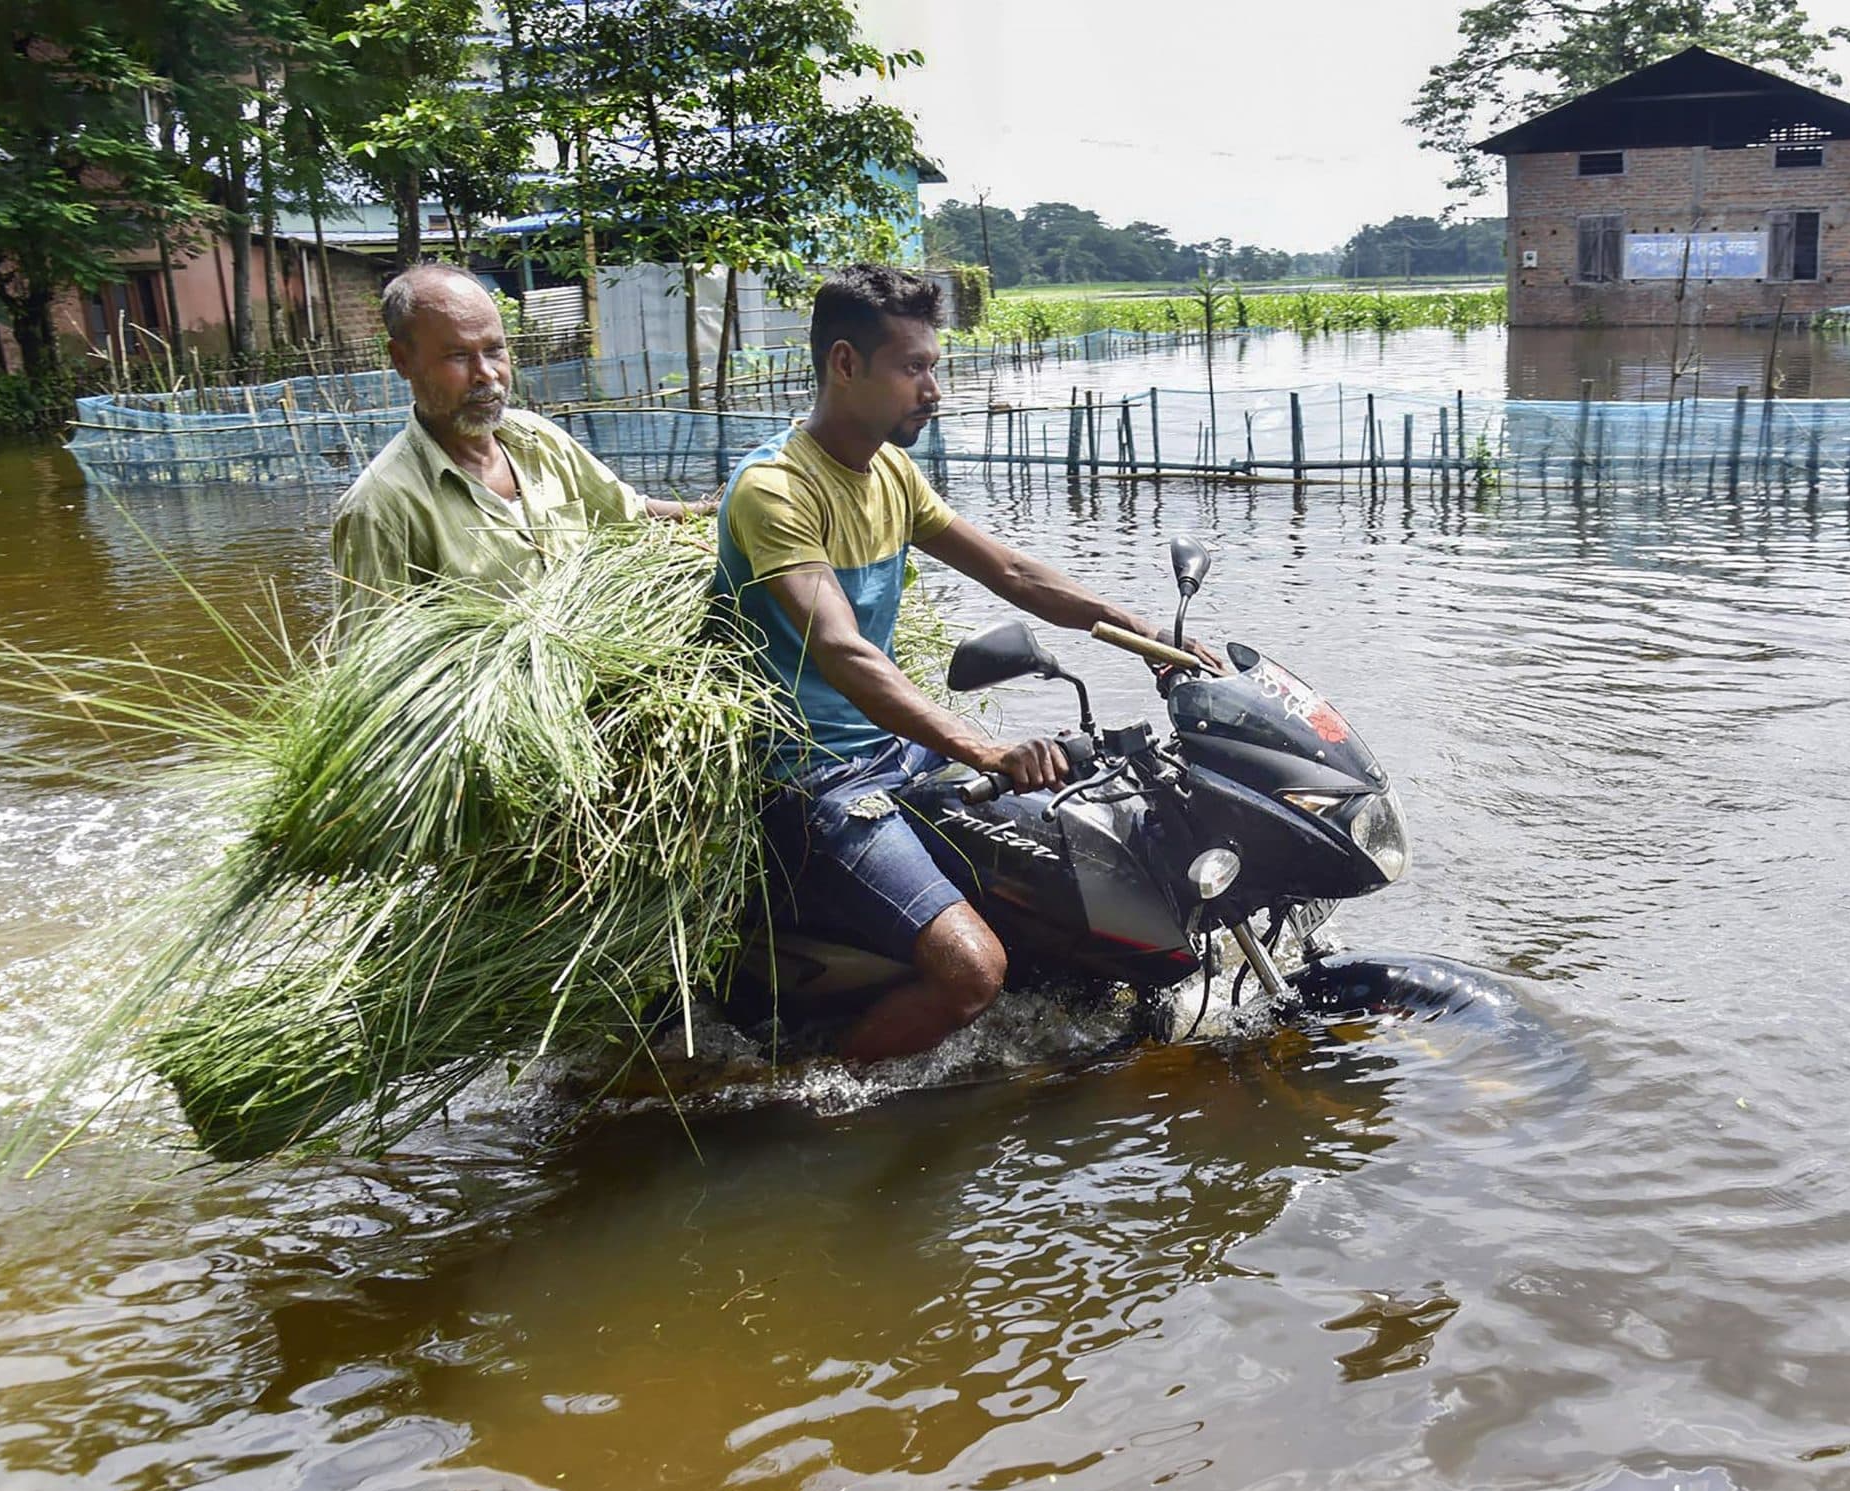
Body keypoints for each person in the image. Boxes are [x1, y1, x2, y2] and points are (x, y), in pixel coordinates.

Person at [717, 264, 1208, 1064]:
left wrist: (1146, 635)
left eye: (934, 367)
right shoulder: (775, 489)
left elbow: (1011, 573)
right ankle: (807, 1101)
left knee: (1076, 864)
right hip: (815, 774)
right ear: (846, 364)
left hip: (895, 750)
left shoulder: (890, 471)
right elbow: (840, 650)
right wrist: (983, 748)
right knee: (972, 972)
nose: (934, 388)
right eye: (914, 368)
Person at [330, 263, 709, 631]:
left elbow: (626, 514)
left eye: (494, 350)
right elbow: (375, 663)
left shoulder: (538, 440)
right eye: (458, 356)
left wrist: (715, 512)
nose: (487, 374)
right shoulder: (381, 506)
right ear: (402, 360)